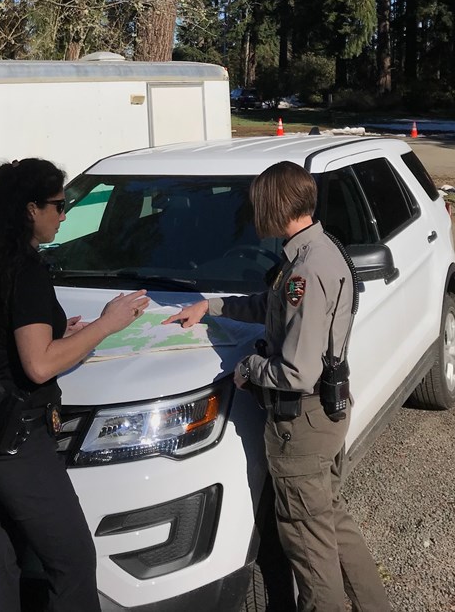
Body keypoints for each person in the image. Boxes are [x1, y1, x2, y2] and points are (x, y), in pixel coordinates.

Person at [162, 161, 390, 612]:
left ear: (275, 206)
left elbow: (296, 371)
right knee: (329, 521)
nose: (253, 216)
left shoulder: (305, 270)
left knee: (307, 542)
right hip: (325, 415)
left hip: (300, 422)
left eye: (257, 206)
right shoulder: (321, 250)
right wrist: (212, 305)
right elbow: (272, 306)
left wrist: (247, 369)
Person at [0, 158, 149, 612]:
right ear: (30, 209)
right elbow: (39, 366)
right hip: (20, 438)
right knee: (74, 559)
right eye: (59, 206)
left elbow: (9, 344)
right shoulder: (27, 272)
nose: (64, 216)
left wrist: (62, 332)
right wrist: (105, 324)